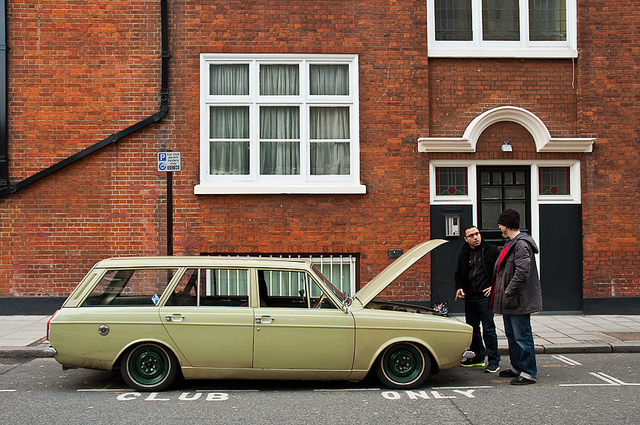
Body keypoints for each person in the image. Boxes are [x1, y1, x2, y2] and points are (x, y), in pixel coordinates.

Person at [491, 209, 543, 385]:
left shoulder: (521, 245)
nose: (498, 226)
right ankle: (517, 367)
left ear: (506, 225)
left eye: (500, 223)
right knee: (512, 335)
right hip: (510, 300)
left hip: (518, 300)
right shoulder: (511, 243)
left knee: (522, 336)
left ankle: (528, 372)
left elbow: (522, 272)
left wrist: (508, 291)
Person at [455, 226, 501, 373]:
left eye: (477, 234)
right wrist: (459, 287)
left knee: (489, 330)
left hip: (484, 298)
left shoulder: (491, 250)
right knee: (473, 330)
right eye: (472, 235)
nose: (476, 237)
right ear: (466, 239)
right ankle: (477, 358)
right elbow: (459, 272)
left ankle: (494, 361)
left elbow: (502, 270)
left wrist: (494, 287)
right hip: (470, 297)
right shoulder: (464, 253)